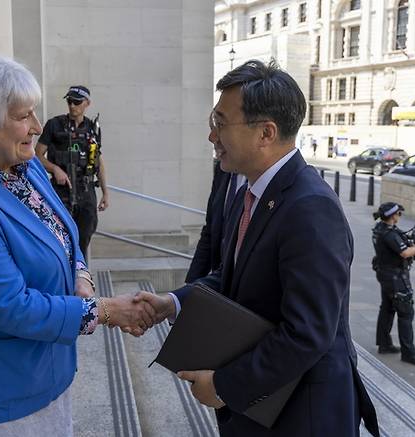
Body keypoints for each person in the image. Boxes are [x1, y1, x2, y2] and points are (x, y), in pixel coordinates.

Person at [137, 60, 379, 436]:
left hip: (302, 414)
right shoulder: (249, 191)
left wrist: (222, 387)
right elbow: (230, 276)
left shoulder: (310, 209)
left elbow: (308, 332)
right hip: (261, 407)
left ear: (266, 132)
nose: (211, 136)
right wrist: (175, 302)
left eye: (221, 123)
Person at [0, 52, 154, 436]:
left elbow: (65, 232)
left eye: (34, 112)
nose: (36, 126)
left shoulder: (21, 164)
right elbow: (11, 306)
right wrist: (107, 310)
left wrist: (82, 276)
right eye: (22, 116)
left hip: (44, 372)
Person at [35, 86, 108, 260]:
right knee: (59, 236)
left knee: (84, 235)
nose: (72, 106)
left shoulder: (93, 128)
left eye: (77, 102)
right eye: (69, 101)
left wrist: (105, 192)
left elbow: (98, 160)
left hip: (86, 190)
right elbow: (36, 155)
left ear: (87, 103)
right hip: (62, 190)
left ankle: (80, 277)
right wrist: (54, 168)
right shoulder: (54, 124)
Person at [371, 202, 415, 367]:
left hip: (385, 275)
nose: (399, 216)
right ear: (392, 215)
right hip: (395, 278)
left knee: (387, 308)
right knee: (406, 313)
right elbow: (404, 252)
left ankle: (384, 343)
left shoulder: (379, 228)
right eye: (399, 214)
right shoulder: (389, 234)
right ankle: (408, 353)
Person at [185, 161, 243, 283]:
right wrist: (190, 287)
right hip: (219, 281)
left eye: (221, 140)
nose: (213, 141)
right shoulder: (222, 170)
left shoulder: (259, 177)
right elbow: (210, 231)